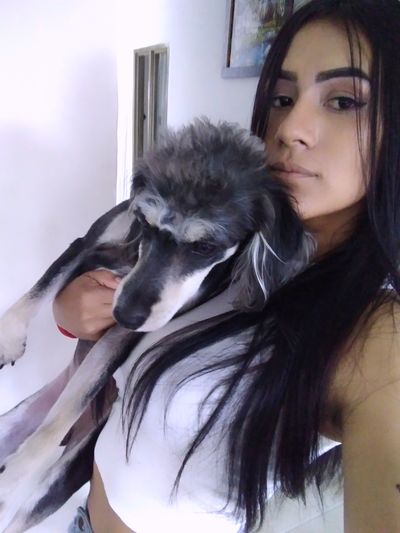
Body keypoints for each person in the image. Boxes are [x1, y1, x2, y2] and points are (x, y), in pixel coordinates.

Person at [54, 0, 400, 531]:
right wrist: (71, 313)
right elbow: (108, 303)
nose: (290, 128)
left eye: (344, 101)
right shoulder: (230, 235)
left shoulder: (377, 333)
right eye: (282, 98)